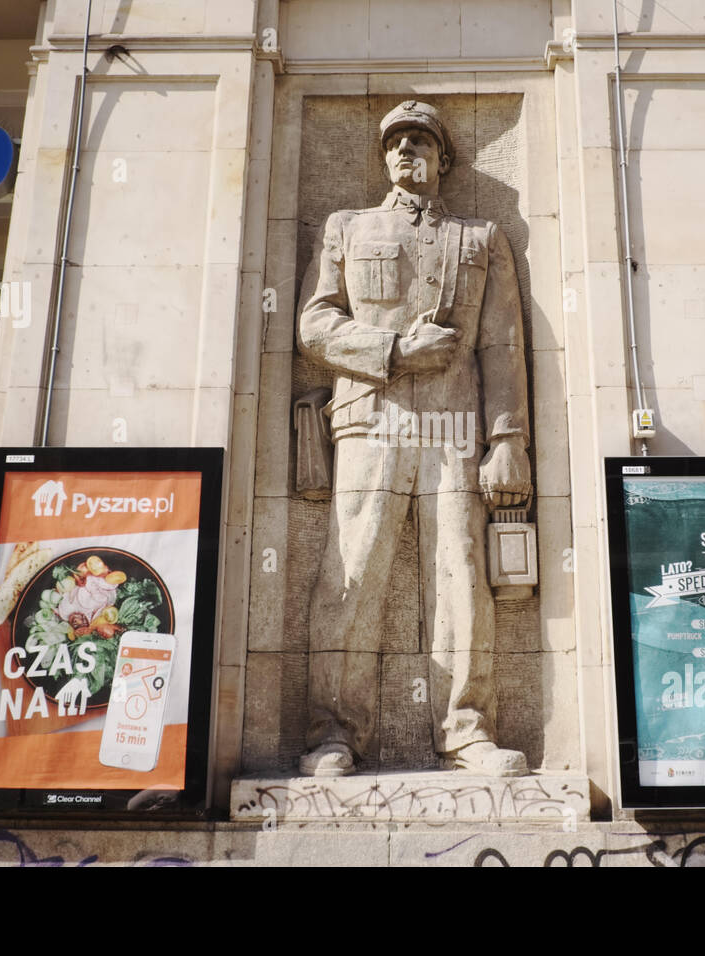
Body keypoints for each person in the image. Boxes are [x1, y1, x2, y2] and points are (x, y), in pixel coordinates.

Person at [296, 100, 532, 777]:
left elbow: (502, 346)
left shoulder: (480, 237)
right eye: (396, 142)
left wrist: (507, 437)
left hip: (456, 424)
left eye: (421, 142)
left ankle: (466, 729)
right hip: (370, 416)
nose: (406, 151)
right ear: (384, 157)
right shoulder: (349, 226)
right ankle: (333, 734)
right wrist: (396, 349)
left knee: (459, 570)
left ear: (442, 158)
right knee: (353, 569)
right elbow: (314, 326)